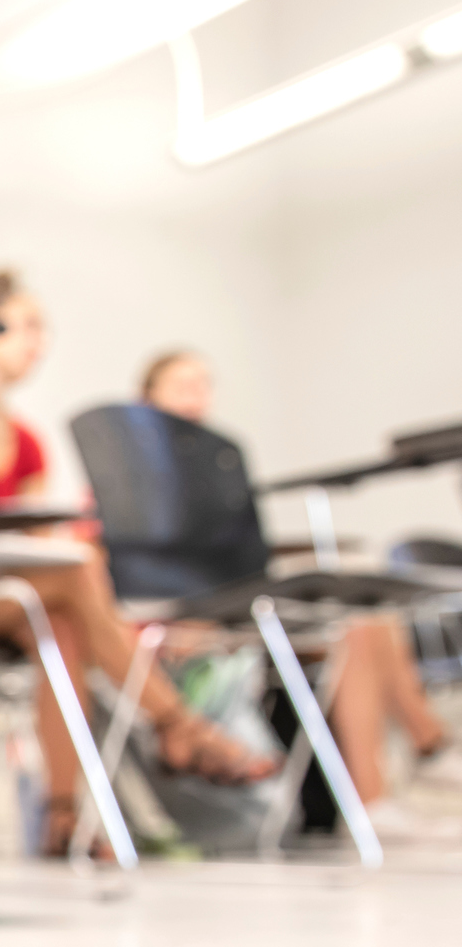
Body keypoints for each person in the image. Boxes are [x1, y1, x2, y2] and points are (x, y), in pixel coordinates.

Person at [0, 269, 274, 857]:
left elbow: (34, 540)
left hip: (14, 599)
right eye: (29, 325)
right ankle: (179, 725)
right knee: (75, 571)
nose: (41, 341)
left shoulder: (28, 442)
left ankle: (61, 818)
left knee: (60, 622)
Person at [140, 348, 461, 838]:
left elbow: (243, 560)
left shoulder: (220, 474)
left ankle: (383, 795)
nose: (196, 397)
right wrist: (187, 617)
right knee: (346, 619)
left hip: (232, 611)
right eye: (182, 386)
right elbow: (125, 571)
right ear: (147, 399)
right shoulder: (129, 480)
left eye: (204, 385)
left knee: (363, 622)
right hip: (177, 621)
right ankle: (429, 750)